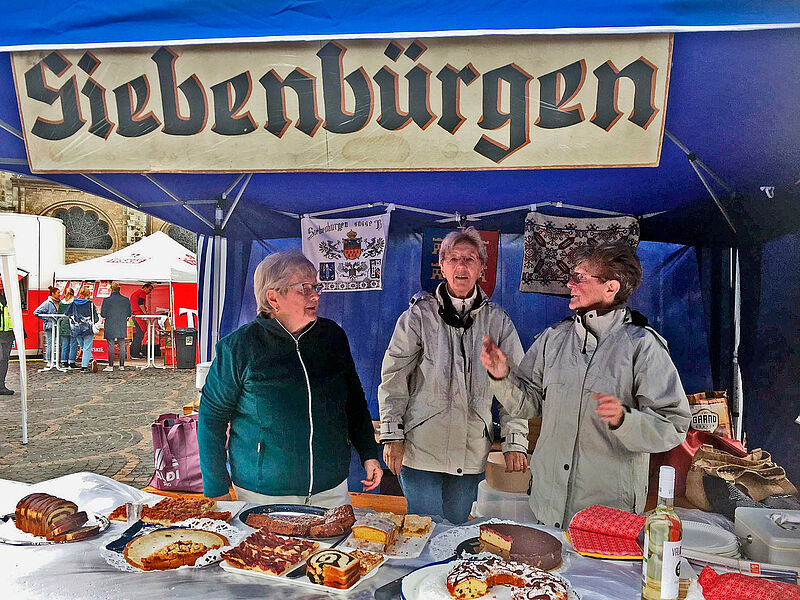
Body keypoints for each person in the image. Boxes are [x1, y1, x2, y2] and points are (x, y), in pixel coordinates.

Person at [481, 241, 691, 528]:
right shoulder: (554, 338)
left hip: (607, 514)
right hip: (548, 505)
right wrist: (501, 376)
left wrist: (625, 420)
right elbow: (528, 404)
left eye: (579, 277)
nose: (570, 284)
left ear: (611, 288)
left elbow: (674, 425)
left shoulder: (642, 346)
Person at [198, 251, 382, 506]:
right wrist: (216, 489)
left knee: (332, 547)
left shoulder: (332, 337)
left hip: (331, 487)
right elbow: (211, 418)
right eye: (304, 288)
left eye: (316, 287)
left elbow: (354, 401)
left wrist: (368, 453)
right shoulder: (239, 347)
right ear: (273, 298)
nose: (315, 295)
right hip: (263, 491)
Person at [378, 227, 528, 524]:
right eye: (454, 259)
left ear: (482, 269)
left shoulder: (498, 321)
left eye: (470, 259)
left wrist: (514, 440)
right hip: (421, 449)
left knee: (458, 529)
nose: (462, 266)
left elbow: (514, 387)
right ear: (442, 266)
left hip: (470, 452)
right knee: (424, 531)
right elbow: (394, 377)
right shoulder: (419, 316)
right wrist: (392, 434)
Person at [66, 286, 99, 373]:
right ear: (88, 294)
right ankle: (84, 367)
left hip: (76, 328)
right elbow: (95, 317)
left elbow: (67, 313)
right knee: (87, 347)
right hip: (87, 328)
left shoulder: (73, 302)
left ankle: (91, 359)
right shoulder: (90, 304)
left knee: (83, 347)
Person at [101, 282, 131, 372]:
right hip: (121, 323)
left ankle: (110, 366)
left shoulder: (106, 300)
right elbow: (129, 313)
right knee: (122, 344)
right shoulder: (125, 300)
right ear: (119, 289)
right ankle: (121, 365)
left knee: (111, 344)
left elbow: (103, 314)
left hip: (110, 323)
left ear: (112, 289)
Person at [33, 286, 60, 365]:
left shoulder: (58, 302)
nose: (59, 294)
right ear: (53, 294)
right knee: (50, 343)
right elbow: (36, 312)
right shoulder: (47, 303)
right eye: (58, 293)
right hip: (50, 326)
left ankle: (54, 360)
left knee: (55, 343)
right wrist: (47, 318)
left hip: (57, 326)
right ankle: (49, 360)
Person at [129, 282, 153, 359]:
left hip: (134, 315)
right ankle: (135, 353)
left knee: (138, 334)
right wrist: (145, 313)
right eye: (149, 290)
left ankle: (133, 351)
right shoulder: (142, 292)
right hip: (138, 315)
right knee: (140, 334)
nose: (149, 292)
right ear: (145, 287)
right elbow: (140, 303)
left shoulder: (135, 293)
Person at [57, 287, 78, 369]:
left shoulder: (61, 302)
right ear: (73, 293)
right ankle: (71, 362)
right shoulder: (75, 302)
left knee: (65, 344)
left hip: (64, 324)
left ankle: (63, 361)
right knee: (73, 344)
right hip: (73, 324)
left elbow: (59, 314)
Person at [0, 277, 14, 394]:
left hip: (8, 334)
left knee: (4, 360)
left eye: (2, 281)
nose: (1, 284)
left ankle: (1, 386)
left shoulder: (10, 297)